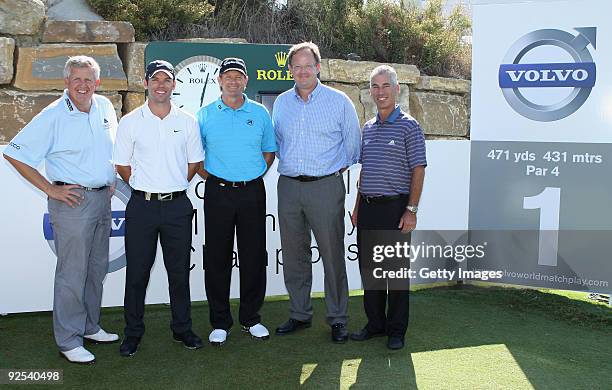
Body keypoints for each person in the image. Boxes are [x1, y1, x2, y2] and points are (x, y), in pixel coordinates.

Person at [3, 56, 119, 364]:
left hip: (102, 199)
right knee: (72, 273)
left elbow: (111, 148)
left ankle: (89, 326)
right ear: (66, 83)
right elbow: (15, 154)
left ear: (98, 83)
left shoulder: (105, 106)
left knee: (96, 269)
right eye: (76, 79)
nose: (83, 85)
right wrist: (50, 189)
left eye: (88, 79)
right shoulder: (53, 115)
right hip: (72, 202)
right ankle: (69, 340)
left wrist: (110, 179)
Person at [113, 60, 204, 357]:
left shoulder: (187, 121)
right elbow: (122, 166)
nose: (161, 85)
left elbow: (193, 164)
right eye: (156, 79)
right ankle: (133, 333)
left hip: (178, 206)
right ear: (147, 83)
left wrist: (174, 185)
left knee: (179, 273)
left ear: (174, 85)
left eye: (167, 79)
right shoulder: (130, 121)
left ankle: (182, 329)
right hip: (142, 207)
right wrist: (146, 187)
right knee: (137, 274)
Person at [272, 42, 361, 343]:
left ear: (318, 67)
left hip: (325, 187)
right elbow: (279, 142)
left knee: (332, 254)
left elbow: (352, 147)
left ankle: (337, 318)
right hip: (289, 187)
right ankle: (300, 313)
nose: (302, 71)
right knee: (295, 255)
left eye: (307, 65)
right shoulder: (282, 103)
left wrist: (331, 172)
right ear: (290, 71)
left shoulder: (339, 101)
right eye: (296, 66)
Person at [196, 57, 276, 346]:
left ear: (246, 81)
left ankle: (251, 318)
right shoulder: (204, 115)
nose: (233, 81)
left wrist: (250, 175)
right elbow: (196, 158)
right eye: (227, 76)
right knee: (217, 257)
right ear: (219, 80)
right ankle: (220, 321)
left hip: (252, 191)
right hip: (218, 192)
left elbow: (269, 152)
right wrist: (216, 178)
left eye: (238, 76)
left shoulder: (260, 113)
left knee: (253, 255)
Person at [350, 65, 427, 350]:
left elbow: (418, 170)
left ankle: (396, 330)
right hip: (368, 209)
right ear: (370, 92)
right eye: (375, 87)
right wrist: (357, 208)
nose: (380, 92)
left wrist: (412, 210)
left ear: (396, 89)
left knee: (394, 274)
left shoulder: (410, 126)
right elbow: (364, 172)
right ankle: (375, 325)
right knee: (370, 272)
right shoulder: (367, 128)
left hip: (396, 210)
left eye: (385, 86)